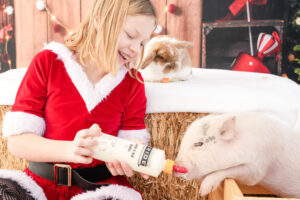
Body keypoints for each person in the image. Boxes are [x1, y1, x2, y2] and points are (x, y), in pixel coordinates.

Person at [1, 0, 157, 199]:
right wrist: (71, 150)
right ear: (100, 19)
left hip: (99, 189)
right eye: (130, 36)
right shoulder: (48, 62)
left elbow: (128, 142)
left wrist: (130, 155)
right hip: (38, 185)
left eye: (143, 43)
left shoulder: (133, 84)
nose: (136, 49)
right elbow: (18, 144)